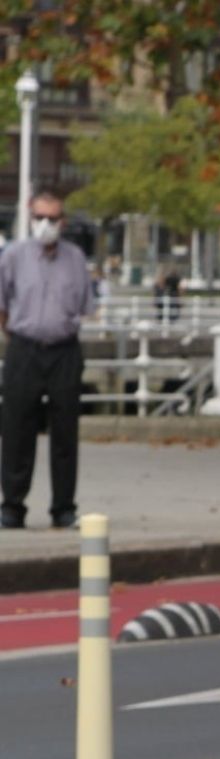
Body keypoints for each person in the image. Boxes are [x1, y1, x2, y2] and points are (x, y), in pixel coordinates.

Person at [0, 190, 96, 530]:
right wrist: (16, 335)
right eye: (40, 217)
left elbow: (85, 308)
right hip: (24, 348)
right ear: (30, 216)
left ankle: (63, 508)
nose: (46, 225)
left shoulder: (75, 259)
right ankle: (12, 506)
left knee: (65, 432)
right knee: (16, 429)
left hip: (64, 351)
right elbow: (2, 305)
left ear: (63, 221)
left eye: (52, 219)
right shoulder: (13, 256)